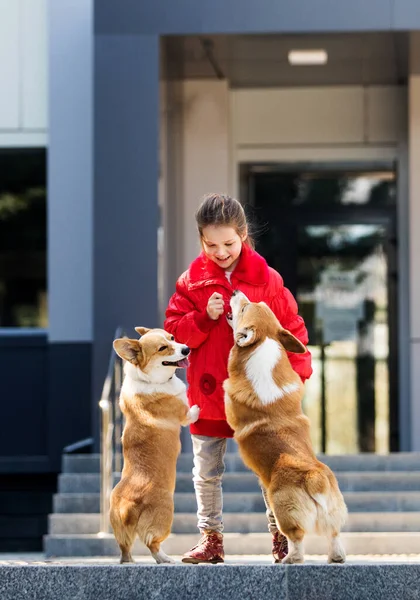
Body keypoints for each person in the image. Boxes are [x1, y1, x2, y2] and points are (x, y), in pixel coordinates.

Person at [164, 193, 312, 564]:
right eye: (210, 244)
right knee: (207, 471)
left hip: (259, 397)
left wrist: (298, 376)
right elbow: (174, 335)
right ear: (201, 240)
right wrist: (203, 318)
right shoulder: (191, 283)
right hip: (211, 389)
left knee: (270, 466)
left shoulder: (267, 280)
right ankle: (210, 539)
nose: (221, 252)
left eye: (228, 243)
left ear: (243, 235)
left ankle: (281, 537)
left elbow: (292, 329)